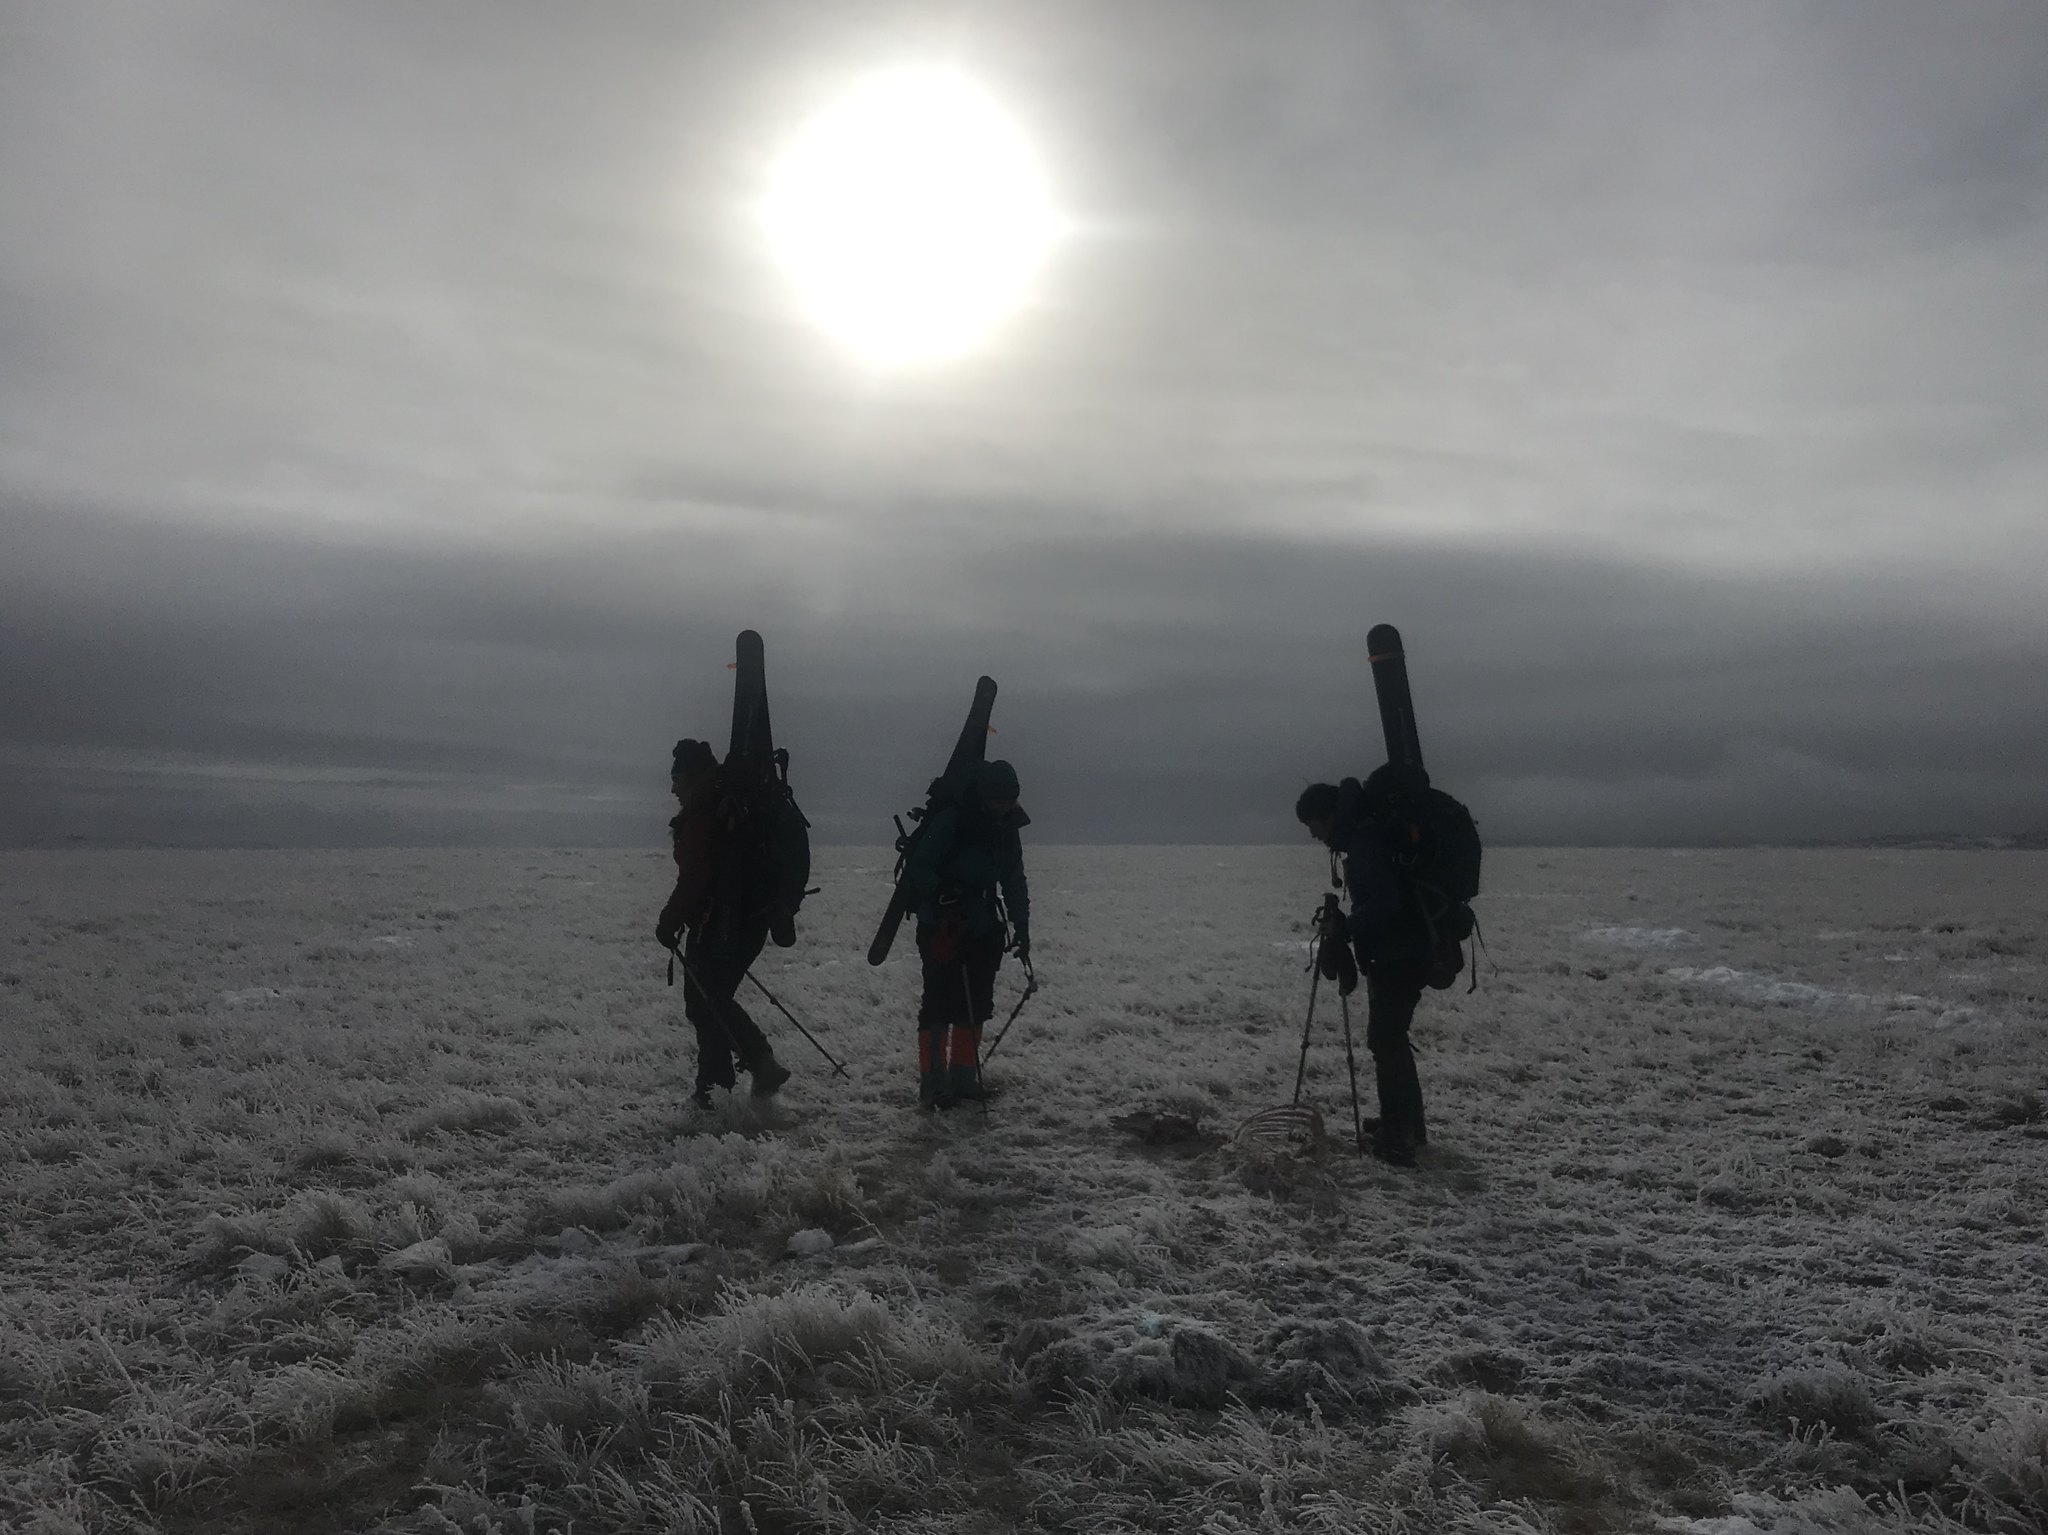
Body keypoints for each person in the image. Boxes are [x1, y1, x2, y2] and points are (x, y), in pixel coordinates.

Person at [1296, 766, 1435, 1165]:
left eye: (1313, 825)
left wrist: (1347, 927)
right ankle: (1408, 1123)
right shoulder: (1365, 835)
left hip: (1400, 952)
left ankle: (1398, 1137)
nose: (1314, 835)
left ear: (1329, 816)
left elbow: (1388, 901)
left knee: (1385, 1039)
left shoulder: (1365, 841)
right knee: (1391, 1037)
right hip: (1401, 949)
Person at [655, 738, 791, 1108]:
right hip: (749, 919)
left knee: (705, 1000)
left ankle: (736, 1077)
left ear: (694, 776)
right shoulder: (722, 805)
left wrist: (668, 922)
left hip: (722, 922)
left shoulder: (704, 814)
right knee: (708, 999)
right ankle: (721, 1085)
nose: (673, 788)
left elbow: (695, 877)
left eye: (678, 778)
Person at [905, 758, 1031, 1108]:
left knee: (976, 1005)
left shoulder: (1007, 829)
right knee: (937, 1004)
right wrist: (941, 892)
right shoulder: (952, 821)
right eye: (1000, 799)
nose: (1005, 806)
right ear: (986, 796)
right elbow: (921, 864)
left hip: (983, 927)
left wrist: (1022, 926)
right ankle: (933, 1085)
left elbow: (1014, 879)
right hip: (941, 925)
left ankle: (963, 1080)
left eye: (1010, 799)